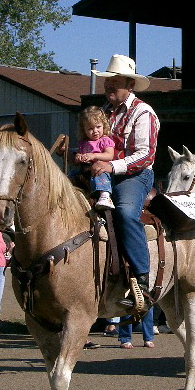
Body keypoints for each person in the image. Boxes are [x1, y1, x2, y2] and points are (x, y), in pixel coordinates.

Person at [91, 55, 159, 309]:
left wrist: (110, 165)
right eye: (108, 81)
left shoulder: (143, 113)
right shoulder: (103, 111)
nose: (109, 86)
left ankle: (142, 278)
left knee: (126, 212)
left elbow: (145, 155)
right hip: (102, 171)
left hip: (135, 175)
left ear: (130, 85)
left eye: (115, 82)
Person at [75, 106, 116, 210]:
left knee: (100, 176)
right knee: (71, 175)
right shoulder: (83, 143)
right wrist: (79, 156)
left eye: (98, 127)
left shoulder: (105, 140)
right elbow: (79, 153)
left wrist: (94, 155)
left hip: (101, 168)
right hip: (86, 169)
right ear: (84, 130)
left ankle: (105, 196)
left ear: (104, 126)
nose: (95, 131)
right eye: (90, 129)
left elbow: (109, 155)